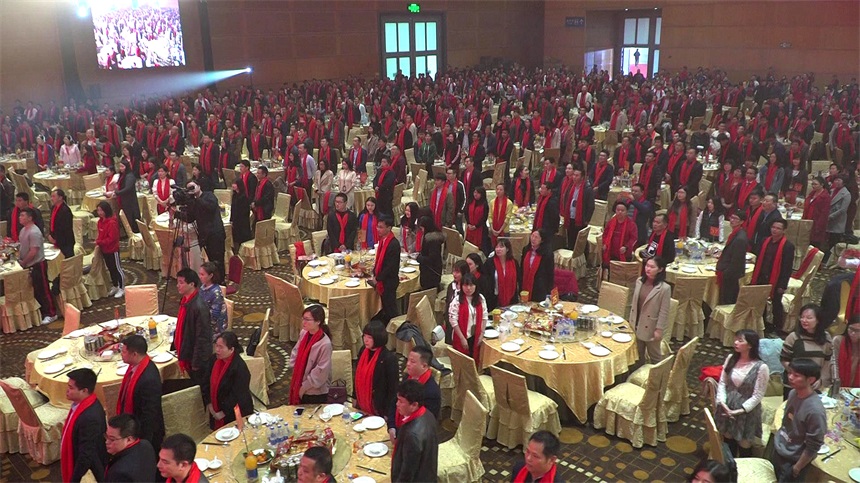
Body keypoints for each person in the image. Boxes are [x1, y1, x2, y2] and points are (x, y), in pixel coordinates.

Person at [715, 329, 770, 457]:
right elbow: (723, 382)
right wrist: (722, 403)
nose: (736, 342)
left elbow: (758, 395)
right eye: (736, 339)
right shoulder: (731, 358)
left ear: (750, 345)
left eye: (740, 340)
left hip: (746, 412)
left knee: (744, 447)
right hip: (727, 407)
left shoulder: (761, 367)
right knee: (728, 444)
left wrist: (739, 411)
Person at [770, 359, 827, 482]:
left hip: (793, 460)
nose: (790, 377)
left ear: (811, 380)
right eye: (790, 373)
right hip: (780, 449)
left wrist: (797, 468)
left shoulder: (815, 410)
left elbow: (814, 445)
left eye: (796, 375)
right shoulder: (793, 393)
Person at [117, 335, 166, 454]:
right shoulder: (135, 367)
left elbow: (150, 415)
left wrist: (144, 443)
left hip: (145, 434)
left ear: (134, 354)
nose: (121, 354)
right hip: (134, 425)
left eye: (124, 352)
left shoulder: (148, 378)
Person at [61, 368, 107, 483]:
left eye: (71, 388)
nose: (67, 390)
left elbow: (86, 454)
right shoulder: (83, 404)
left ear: (84, 391)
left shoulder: (90, 417)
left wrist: (74, 479)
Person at [202, 331, 253, 429]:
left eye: (221, 347)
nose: (217, 350)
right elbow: (205, 382)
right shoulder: (214, 360)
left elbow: (238, 395)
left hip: (234, 413)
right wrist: (209, 404)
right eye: (216, 346)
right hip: (215, 408)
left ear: (231, 349)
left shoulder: (239, 368)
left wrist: (223, 412)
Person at [390, 379, 438, 482]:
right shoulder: (427, 413)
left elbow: (407, 473)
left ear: (414, 405)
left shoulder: (412, 435)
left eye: (401, 401)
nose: (397, 404)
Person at [172, 268, 213, 388]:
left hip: (195, 358)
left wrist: (196, 364)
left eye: (181, 282)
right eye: (177, 282)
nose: (178, 285)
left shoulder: (199, 307)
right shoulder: (185, 300)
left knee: (198, 387)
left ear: (192, 284)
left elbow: (202, 338)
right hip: (187, 350)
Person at [780, 304, 834, 396]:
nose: (804, 320)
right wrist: (798, 376)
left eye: (809, 318)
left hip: (815, 383)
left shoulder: (826, 337)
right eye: (802, 317)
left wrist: (821, 379)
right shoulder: (793, 337)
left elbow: (827, 361)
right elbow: (784, 359)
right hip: (795, 383)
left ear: (818, 320)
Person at [751, 219, 795, 330]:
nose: (774, 230)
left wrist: (782, 285)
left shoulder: (788, 246)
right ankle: (763, 324)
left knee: (776, 304)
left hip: (776, 279)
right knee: (760, 302)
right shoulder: (765, 241)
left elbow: (787, 268)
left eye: (778, 228)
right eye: (773, 227)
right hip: (762, 276)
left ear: (784, 230)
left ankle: (777, 326)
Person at [179, 181, 226, 281]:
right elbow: (190, 218)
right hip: (205, 236)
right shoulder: (193, 201)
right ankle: (214, 281)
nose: (191, 190)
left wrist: (195, 199)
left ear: (199, 186)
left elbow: (210, 207)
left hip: (215, 234)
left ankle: (221, 282)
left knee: (218, 261)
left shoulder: (209, 195)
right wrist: (176, 214)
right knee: (211, 261)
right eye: (189, 188)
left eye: (193, 187)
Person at [18, 207, 57, 325]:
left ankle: (51, 313)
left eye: (23, 215)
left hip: (37, 264)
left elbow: (34, 251)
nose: (20, 217)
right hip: (29, 264)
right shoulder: (23, 230)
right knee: (36, 290)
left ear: (30, 218)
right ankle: (43, 311)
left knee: (43, 290)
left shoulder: (34, 232)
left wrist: (24, 262)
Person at [288, 305, 332, 404]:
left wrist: (304, 387)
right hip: (299, 381)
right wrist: (295, 371)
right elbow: (296, 351)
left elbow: (321, 371)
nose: (303, 322)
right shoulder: (304, 333)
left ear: (318, 322)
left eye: (307, 319)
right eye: (303, 318)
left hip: (315, 391)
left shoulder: (325, 344)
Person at [355, 320, 399, 420]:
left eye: (369, 337)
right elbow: (357, 375)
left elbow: (393, 387)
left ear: (378, 338)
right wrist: (355, 397)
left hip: (379, 405)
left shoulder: (388, 358)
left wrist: (388, 412)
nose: (366, 340)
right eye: (364, 336)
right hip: (362, 401)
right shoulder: (363, 350)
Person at [631, 257, 672, 364]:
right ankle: (638, 372)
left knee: (655, 356)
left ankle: (658, 374)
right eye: (647, 266)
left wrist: (659, 330)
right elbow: (635, 304)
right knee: (637, 355)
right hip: (636, 323)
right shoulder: (639, 281)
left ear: (660, 269)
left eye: (652, 267)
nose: (648, 269)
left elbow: (664, 311)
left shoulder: (664, 288)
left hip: (651, 326)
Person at [104, 414, 158, 483]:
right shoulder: (146, 445)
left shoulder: (120, 473)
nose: (106, 442)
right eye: (106, 436)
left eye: (112, 439)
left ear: (129, 439)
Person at [449, 272, 488, 365]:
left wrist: (482, 333)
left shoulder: (480, 298)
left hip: (476, 335)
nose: (468, 288)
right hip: (462, 336)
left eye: (471, 285)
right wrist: (462, 338)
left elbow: (484, 316)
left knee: (475, 360)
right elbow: (453, 321)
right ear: (462, 286)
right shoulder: (457, 301)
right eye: (465, 285)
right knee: (463, 363)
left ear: (476, 286)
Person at [368, 216, 401, 323]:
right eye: (377, 226)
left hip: (389, 282)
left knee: (391, 310)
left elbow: (390, 267)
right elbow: (379, 260)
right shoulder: (383, 240)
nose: (378, 229)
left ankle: (395, 327)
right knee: (385, 309)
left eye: (381, 227)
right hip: (383, 279)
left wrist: (378, 278)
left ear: (389, 228)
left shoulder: (393, 244)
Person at [400, 346, 442, 421]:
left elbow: (427, 420)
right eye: (408, 360)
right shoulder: (407, 377)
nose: (408, 364)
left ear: (424, 366)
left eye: (412, 362)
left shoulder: (431, 392)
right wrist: (391, 424)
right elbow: (396, 401)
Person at [717, 212, 748, 305]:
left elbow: (736, 261)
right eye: (731, 217)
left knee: (728, 300)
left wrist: (726, 273)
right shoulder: (735, 233)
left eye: (735, 219)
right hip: (728, 271)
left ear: (741, 222)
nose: (732, 220)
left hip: (731, 275)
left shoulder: (740, 238)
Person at [95, 201, 125, 299]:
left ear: (106, 210)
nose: (99, 213)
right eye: (98, 210)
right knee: (111, 268)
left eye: (101, 210)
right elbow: (101, 235)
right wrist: (99, 242)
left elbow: (112, 239)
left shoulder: (112, 223)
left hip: (113, 250)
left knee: (117, 268)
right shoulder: (100, 222)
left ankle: (122, 288)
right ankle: (115, 285)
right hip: (104, 250)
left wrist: (100, 242)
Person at [483, 238, 519, 310]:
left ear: (507, 249)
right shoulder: (489, 263)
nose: (498, 249)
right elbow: (486, 282)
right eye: (497, 247)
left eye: (501, 247)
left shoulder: (514, 263)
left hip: (511, 298)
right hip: (494, 299)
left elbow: (517, 280)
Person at [520, 229, 554, 302]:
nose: (533, 239)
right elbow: (521, 269)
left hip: (539, 287)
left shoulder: (547, 254)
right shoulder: (526, 250)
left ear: (542, 240)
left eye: (536, 237)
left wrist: (549, 291)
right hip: (525, 286)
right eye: (532, 236)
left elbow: (550, 273)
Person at [603, 201, 638, 269]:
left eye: (622, 210)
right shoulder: (611, 222)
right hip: (610, 251)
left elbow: (634, 238)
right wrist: (604, 243)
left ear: (626, 212)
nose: (620, 212)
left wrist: (626, 247)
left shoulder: (631, 224)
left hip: (623, 253)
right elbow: (605, 234)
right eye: (618, 210)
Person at [198, 262, 227, 340]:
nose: (200, 277)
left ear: (211, 276)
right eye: (199, 274)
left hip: (214, 326)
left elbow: (214, 316)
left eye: (202, 274)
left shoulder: (216, 293)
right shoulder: (202, 287)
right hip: (202, 318)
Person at [802, 177, 831, 253]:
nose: (813, 186)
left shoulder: (826, 197)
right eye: (812, 184)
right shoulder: (812, 193)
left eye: (815, 184)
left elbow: (824, 214)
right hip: (808, 220)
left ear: (822, 185)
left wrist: (818, 227)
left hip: (817, 223)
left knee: (814, 245)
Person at [111, 161, 141, 233]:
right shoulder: (123, 175)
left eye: (122, 166)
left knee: (131, 217)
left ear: (126, 167)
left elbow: (128, 188)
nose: (121, 168)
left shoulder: (130, 176)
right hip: (124, 199)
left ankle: (133, 232)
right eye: (120, 166)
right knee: (126, 217)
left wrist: (117, 193)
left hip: (130, 201)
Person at [416, 215, 444, 290]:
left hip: (431, 272)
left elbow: (432, 258)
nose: (422, 231)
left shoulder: (432, 240)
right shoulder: (429, 237)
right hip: (429, 270)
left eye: (422, 228)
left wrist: (419, 258)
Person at [832, 315, 860, 388]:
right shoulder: (838, 340)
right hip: (839, 383)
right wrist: (836, 381)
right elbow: (834, 362)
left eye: (857, 331)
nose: (853, 333)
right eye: (851, 329)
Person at [47, 189, 75, 257]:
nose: (51, 199)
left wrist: (56, 240)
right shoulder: (53, 208)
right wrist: (50, 235)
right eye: (51, 196)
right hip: (55, 238)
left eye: (53, 196)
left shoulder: (65, 210)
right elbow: (52, 223)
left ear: (60, 197)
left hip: (65, 241)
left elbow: (66, 229)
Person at [464, 187, 490, 253]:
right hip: (470, 228)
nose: (475, 194)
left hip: (480, 229)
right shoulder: (470, 202)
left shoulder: (484, 204)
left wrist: (476, 226)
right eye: (475, 192)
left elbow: (484, 218)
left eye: (478, 193)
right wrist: (469, 223)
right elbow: (466, 213)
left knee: (481, 248)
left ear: (482, 194)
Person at [230, 179, 252, 249]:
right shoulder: (234, 195)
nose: (233, 185)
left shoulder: (243, 197)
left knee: (242, 237)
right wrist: (231, 219)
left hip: (242, 220)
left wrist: (237, 219)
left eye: (235, 184)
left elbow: (245, 211)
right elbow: (233, 208)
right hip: (236, 220)